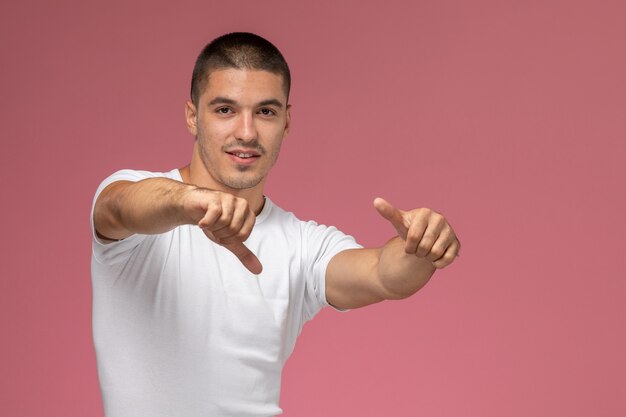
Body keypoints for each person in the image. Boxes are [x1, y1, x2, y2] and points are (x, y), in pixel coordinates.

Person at [91, 32, 461, 417]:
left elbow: (383, 275)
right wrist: (190, 202)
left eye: (265, 112)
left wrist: (422, 246)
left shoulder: (301, 244)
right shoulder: (135, 203)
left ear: (286, 121)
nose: (247, 132)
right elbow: (118, 208)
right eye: (225, 110)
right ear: (192, 116)